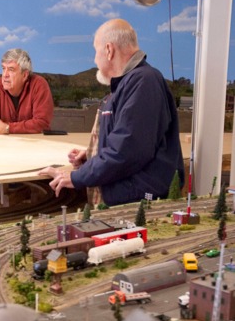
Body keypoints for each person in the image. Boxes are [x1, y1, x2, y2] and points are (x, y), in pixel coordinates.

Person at [40, 19, 184, 207]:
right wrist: (92, 152)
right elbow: (128, 137)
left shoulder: (143, 81)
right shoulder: (129, 83)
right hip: (127, 195)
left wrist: (76, 176)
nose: (94, 59)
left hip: (136, 200)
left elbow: (127, 151)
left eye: (95, 50)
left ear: (109, 50)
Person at [0, 48, 53, 134]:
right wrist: (26, 127)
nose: (5, 75)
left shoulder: (39, 85)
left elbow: (42, 124)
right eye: (3, 68)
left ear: (25, 75)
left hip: (33, 143)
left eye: (11, 69)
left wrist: (7, 128)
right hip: (2, 144)